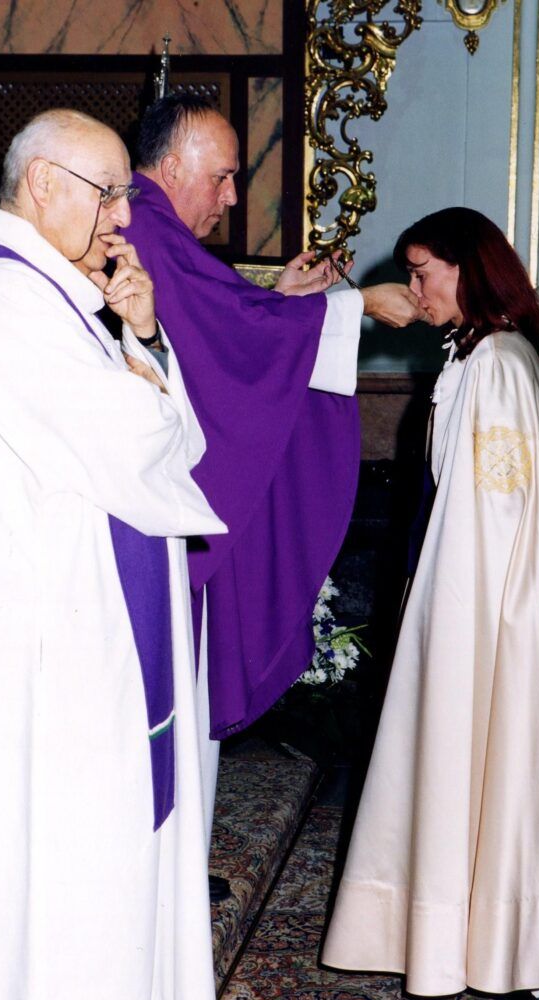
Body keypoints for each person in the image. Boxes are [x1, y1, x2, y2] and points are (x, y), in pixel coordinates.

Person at [0, 109, 227, 1000]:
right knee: (68, 865)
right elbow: (139, 441)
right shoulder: (0, 297)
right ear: (42, 184)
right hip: (51, 638)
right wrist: (140, 377)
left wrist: (141, 336)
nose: (122, 214)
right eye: (108, 192)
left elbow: (162, 438)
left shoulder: (51, 292)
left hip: (82, 617)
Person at [321, 208, 539, 1000]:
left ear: (467, 270)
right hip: (476, 603)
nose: (413, 289)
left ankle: (518, 955)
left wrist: (457, 619)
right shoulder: (482, 355)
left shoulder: (496, 363)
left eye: (422, 273)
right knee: (503, 775)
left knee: (493, 767)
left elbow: (496, 518)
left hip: (482, 614)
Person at [125, 96, 422, 845]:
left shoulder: (156, 228)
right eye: (222, 177)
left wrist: (284, 300)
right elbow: (222, 334)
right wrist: (355, 306)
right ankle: (168, 867)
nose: (231, 197)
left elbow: (213, 326)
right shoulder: (145, 224)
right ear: (171, 167)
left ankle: (179, 865)